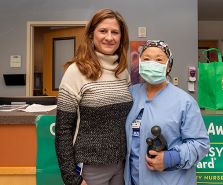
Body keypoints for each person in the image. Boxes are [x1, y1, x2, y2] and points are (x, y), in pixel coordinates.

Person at [55, 8, 133, 185]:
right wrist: (72, 178)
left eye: (115, 32)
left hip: (121, 165)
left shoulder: (123, 72)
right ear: (91, 35)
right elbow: (63, 131)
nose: (109, 37)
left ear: (121, 38)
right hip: (90, 169)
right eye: (103, 31)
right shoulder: (76, 71)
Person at [124, 40, 210, 185]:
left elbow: (201, 144)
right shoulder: (131, 94)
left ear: (168, 66)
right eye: (146, 59)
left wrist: (170, 158)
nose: (152, 63)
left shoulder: (184, 102)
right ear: (139, 63)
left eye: (159, 59)